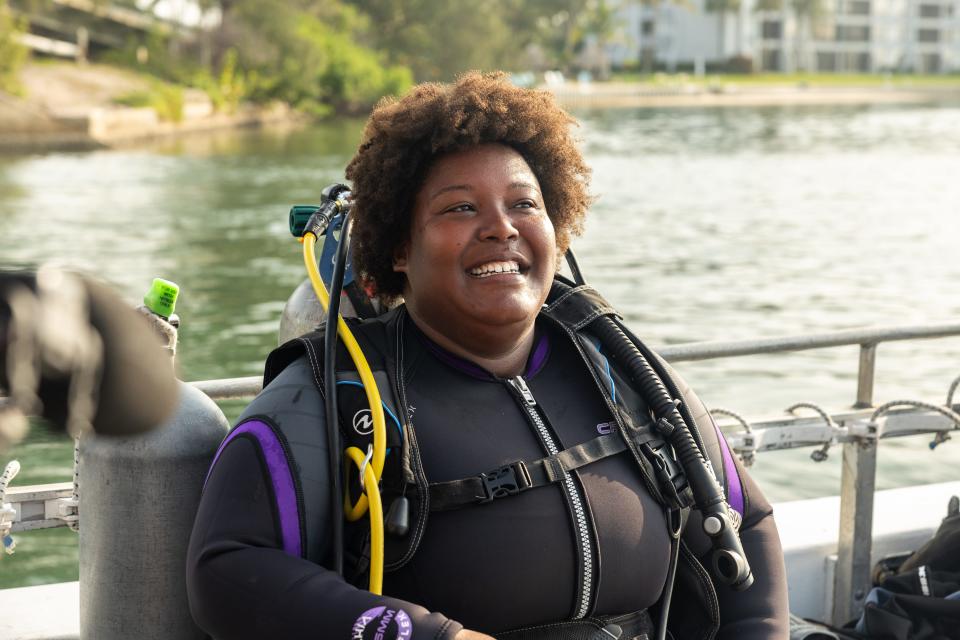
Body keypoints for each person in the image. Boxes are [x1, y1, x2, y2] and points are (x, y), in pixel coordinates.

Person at [186, 72, 789, 640]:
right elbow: (226, 572)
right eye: (460, 208)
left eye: (524, 205)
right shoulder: (332, 393)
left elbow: (746, 522)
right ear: (399, 246)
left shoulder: (618, 369)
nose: (501, 227)